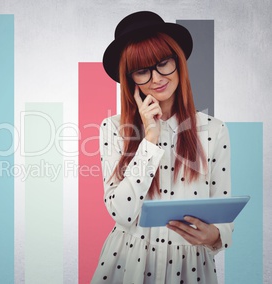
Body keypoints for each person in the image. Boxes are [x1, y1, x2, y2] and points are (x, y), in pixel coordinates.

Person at [91, 11, 233, 284]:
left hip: (191, 265)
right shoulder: (113, 128)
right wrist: (150, 140)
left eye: (163, 63)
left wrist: (215, 235)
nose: (156, 78)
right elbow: (121, 213)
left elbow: (223, 208)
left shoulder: (215, 130)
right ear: (130, 80)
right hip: (128, 262)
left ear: (178, 62)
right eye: (142, 71)